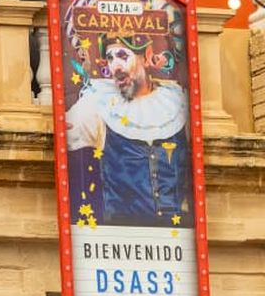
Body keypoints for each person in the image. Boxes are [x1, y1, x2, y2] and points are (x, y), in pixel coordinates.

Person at [64, 32, 190, 227]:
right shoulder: (99, 103)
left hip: (176, 239)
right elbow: (66, 132)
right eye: (110, 58)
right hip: (123, 238)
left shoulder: (177, 102)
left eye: (123, 56)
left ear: (146, 56)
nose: (116, 66)